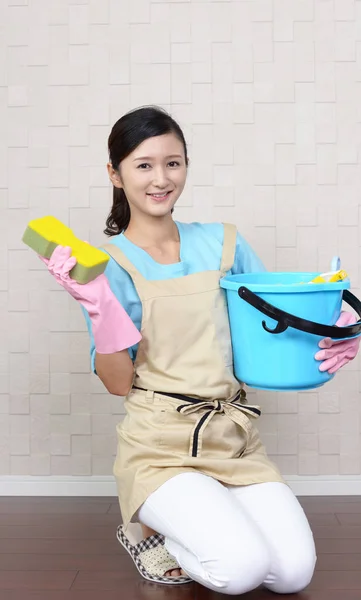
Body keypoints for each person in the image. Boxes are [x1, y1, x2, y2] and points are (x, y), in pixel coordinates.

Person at [42, 106, 360, 594]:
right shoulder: (109, 264)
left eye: (173, 162)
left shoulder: (225, 244)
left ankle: (204, 516)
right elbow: (117, 384)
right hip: (159, 448)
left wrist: (336, 327)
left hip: (234, 441)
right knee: (240, 571)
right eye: (143, 164)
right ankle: (148, 532)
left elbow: (272, 330)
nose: (161, 178)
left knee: (293, 574)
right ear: (115, 173)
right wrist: (101, 309)